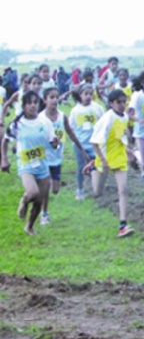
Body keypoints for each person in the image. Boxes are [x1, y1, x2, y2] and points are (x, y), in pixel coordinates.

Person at [1, 91, 58, 235]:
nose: (33, 106)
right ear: (24, 106)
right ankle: (24, 201)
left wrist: (55, 143)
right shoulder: (17, 124)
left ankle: (29, 226)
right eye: (29, 103)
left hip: (42, 164)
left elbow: (53, 143)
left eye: (35, 103)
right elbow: (5, 141)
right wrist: (4, 159)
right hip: (25, 163)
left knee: (39, 200)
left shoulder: (45, 122)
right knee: (32, 192)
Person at [39, 87, 87, 225]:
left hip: (57, 157)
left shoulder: (62, 116)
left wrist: (82, 150)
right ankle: (44, 214)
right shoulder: (40, 118)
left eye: (56, 97)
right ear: (45, 100)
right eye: (51, 97)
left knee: (55, 189)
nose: (55, 100)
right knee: (45, 187)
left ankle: (42, 197)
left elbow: (71, 133)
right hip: (43, 157)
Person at [91, 89, 134, 238]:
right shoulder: (107, 118)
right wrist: (103, 160)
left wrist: (129, 149)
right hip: (105, 156)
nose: (122, 105)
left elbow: (121, 136)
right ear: (111, 104)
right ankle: (93, 168)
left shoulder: (125, 117)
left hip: (119, 157)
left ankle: (123, 225)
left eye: (124, 102)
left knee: (123, 189)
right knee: (97, 191)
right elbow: (94, 142)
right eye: (118, 102)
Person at [68, 83, 104, 200]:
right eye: (86, 94)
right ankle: (80, 190)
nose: (88, 96)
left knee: (96, 166)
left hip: (94, 144)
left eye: (90, 94)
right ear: (80, 95)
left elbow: (103, 124)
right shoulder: (75, 111)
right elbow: (71, 127)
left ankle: (97, 189)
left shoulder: (97, 108)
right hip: (80, 145)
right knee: (80, 167)